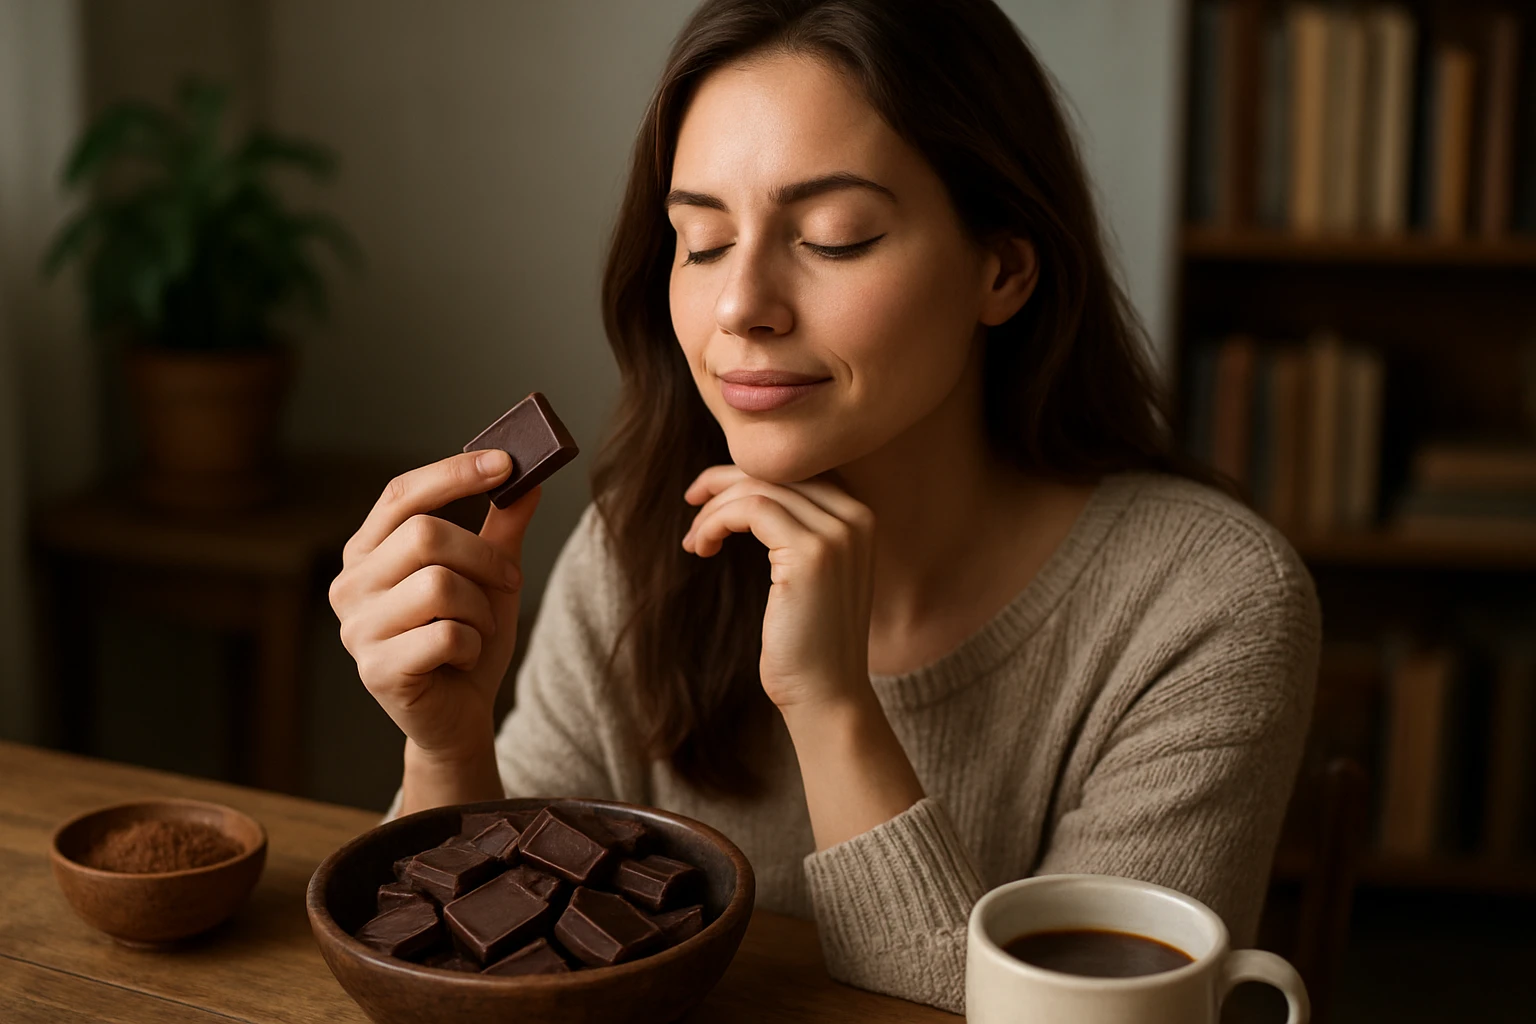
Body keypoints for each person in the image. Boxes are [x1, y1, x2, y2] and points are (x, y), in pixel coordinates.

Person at [327, 0, 1319, 1011]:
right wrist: (450, 745)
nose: (739, 305)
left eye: (835, 238)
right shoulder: (639, 543)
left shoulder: (1207, 602)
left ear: (1004, 266)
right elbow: (492, 949)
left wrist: (834, 708)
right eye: (701, 241)